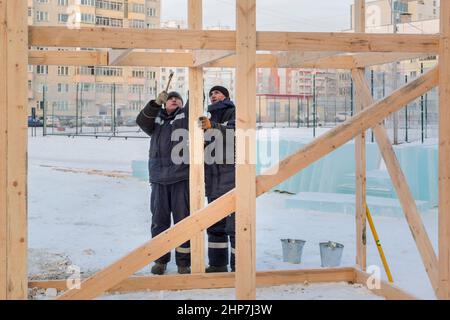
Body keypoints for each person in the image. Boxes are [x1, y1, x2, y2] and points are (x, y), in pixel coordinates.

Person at [136, 91, 191, 275]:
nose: (173, 100)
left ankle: (184, 263)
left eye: (178, 99)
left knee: (183, 221)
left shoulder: (184, 118)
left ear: (182, 104)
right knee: (159, 221)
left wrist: (194, 91)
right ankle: (160, 260)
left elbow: (194, 107)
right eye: (170, 98)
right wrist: (154, 104)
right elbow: (142, 121)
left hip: (181, 178)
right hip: (159, 178)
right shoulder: (156, 120)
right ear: (164, 104)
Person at [198, 86, 236, 273]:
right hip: (212, 178)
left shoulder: (234, 112)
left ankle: (239, 267)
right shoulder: (208, 118)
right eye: (211, 94)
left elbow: (235, 134)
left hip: (231, 178)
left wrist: (213, 127)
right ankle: (218, 265)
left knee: (236, 226)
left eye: (217, 93)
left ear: (226, 96)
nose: (213, 95)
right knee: (215, 224)